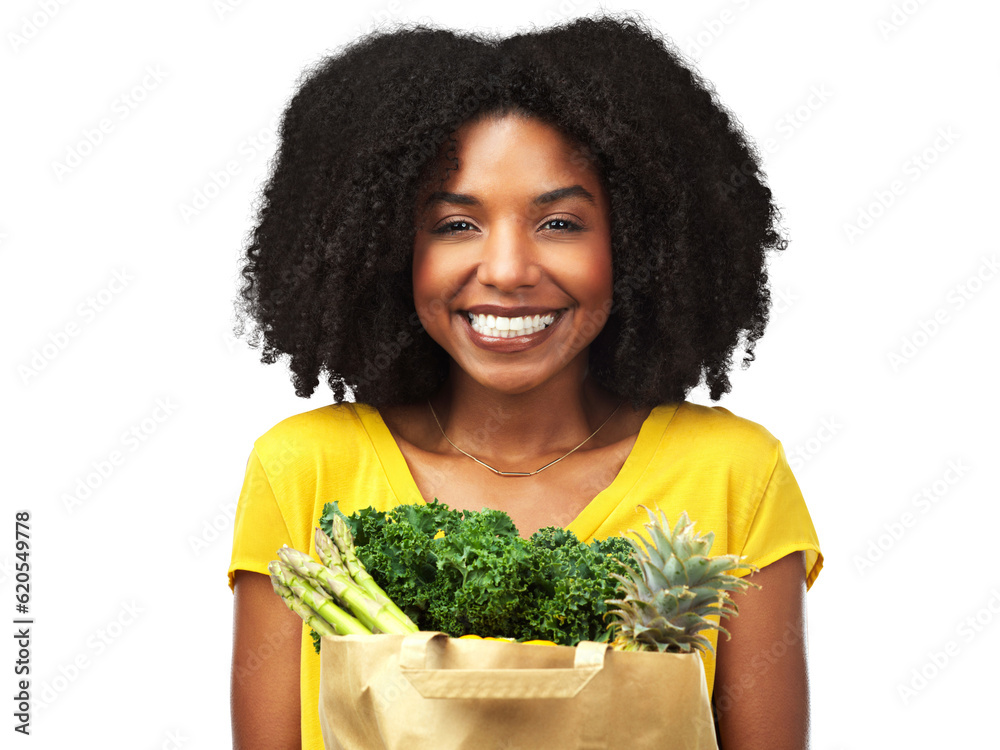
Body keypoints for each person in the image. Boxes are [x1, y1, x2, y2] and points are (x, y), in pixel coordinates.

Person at [227, 13, 823, 750]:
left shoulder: (734, 476)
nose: (507, 270)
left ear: (639, 242)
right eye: (454, 226)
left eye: (561, 224)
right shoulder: (303, 472)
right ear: (382, 247)